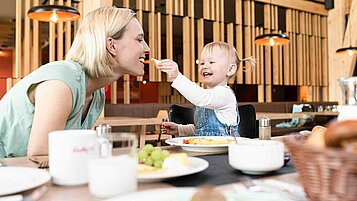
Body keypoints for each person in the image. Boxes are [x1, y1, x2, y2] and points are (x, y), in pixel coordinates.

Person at [0, 7, 150, 158]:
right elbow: (41, 156)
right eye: (139, 39)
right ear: (111, 46)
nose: (147, 48)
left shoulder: (97, 93)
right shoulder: (61, 81)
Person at [156, 42, 255, 137]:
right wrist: (179, 129)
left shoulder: (224, 94)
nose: (205, 66)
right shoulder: (207, 97)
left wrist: (177, 77)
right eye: (202, 63)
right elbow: (200, 130)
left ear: (230, 69)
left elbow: (202, 97)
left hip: (225, 150)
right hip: (205, 150)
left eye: (211, 62)